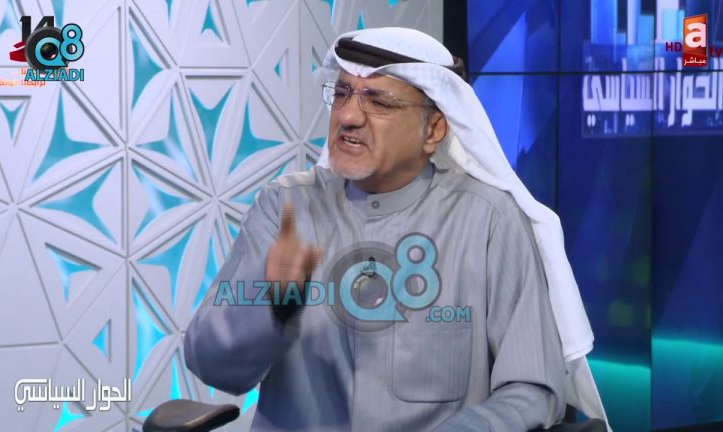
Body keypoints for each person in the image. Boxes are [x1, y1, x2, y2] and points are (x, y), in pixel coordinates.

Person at [184, 27, 608, 431]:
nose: (348, 116)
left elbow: (533, 387)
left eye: (379, 102)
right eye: (342, 93)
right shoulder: (285, 209)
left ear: (433, 130)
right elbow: (211, 365)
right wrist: (272, 307)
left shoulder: (488, 222)